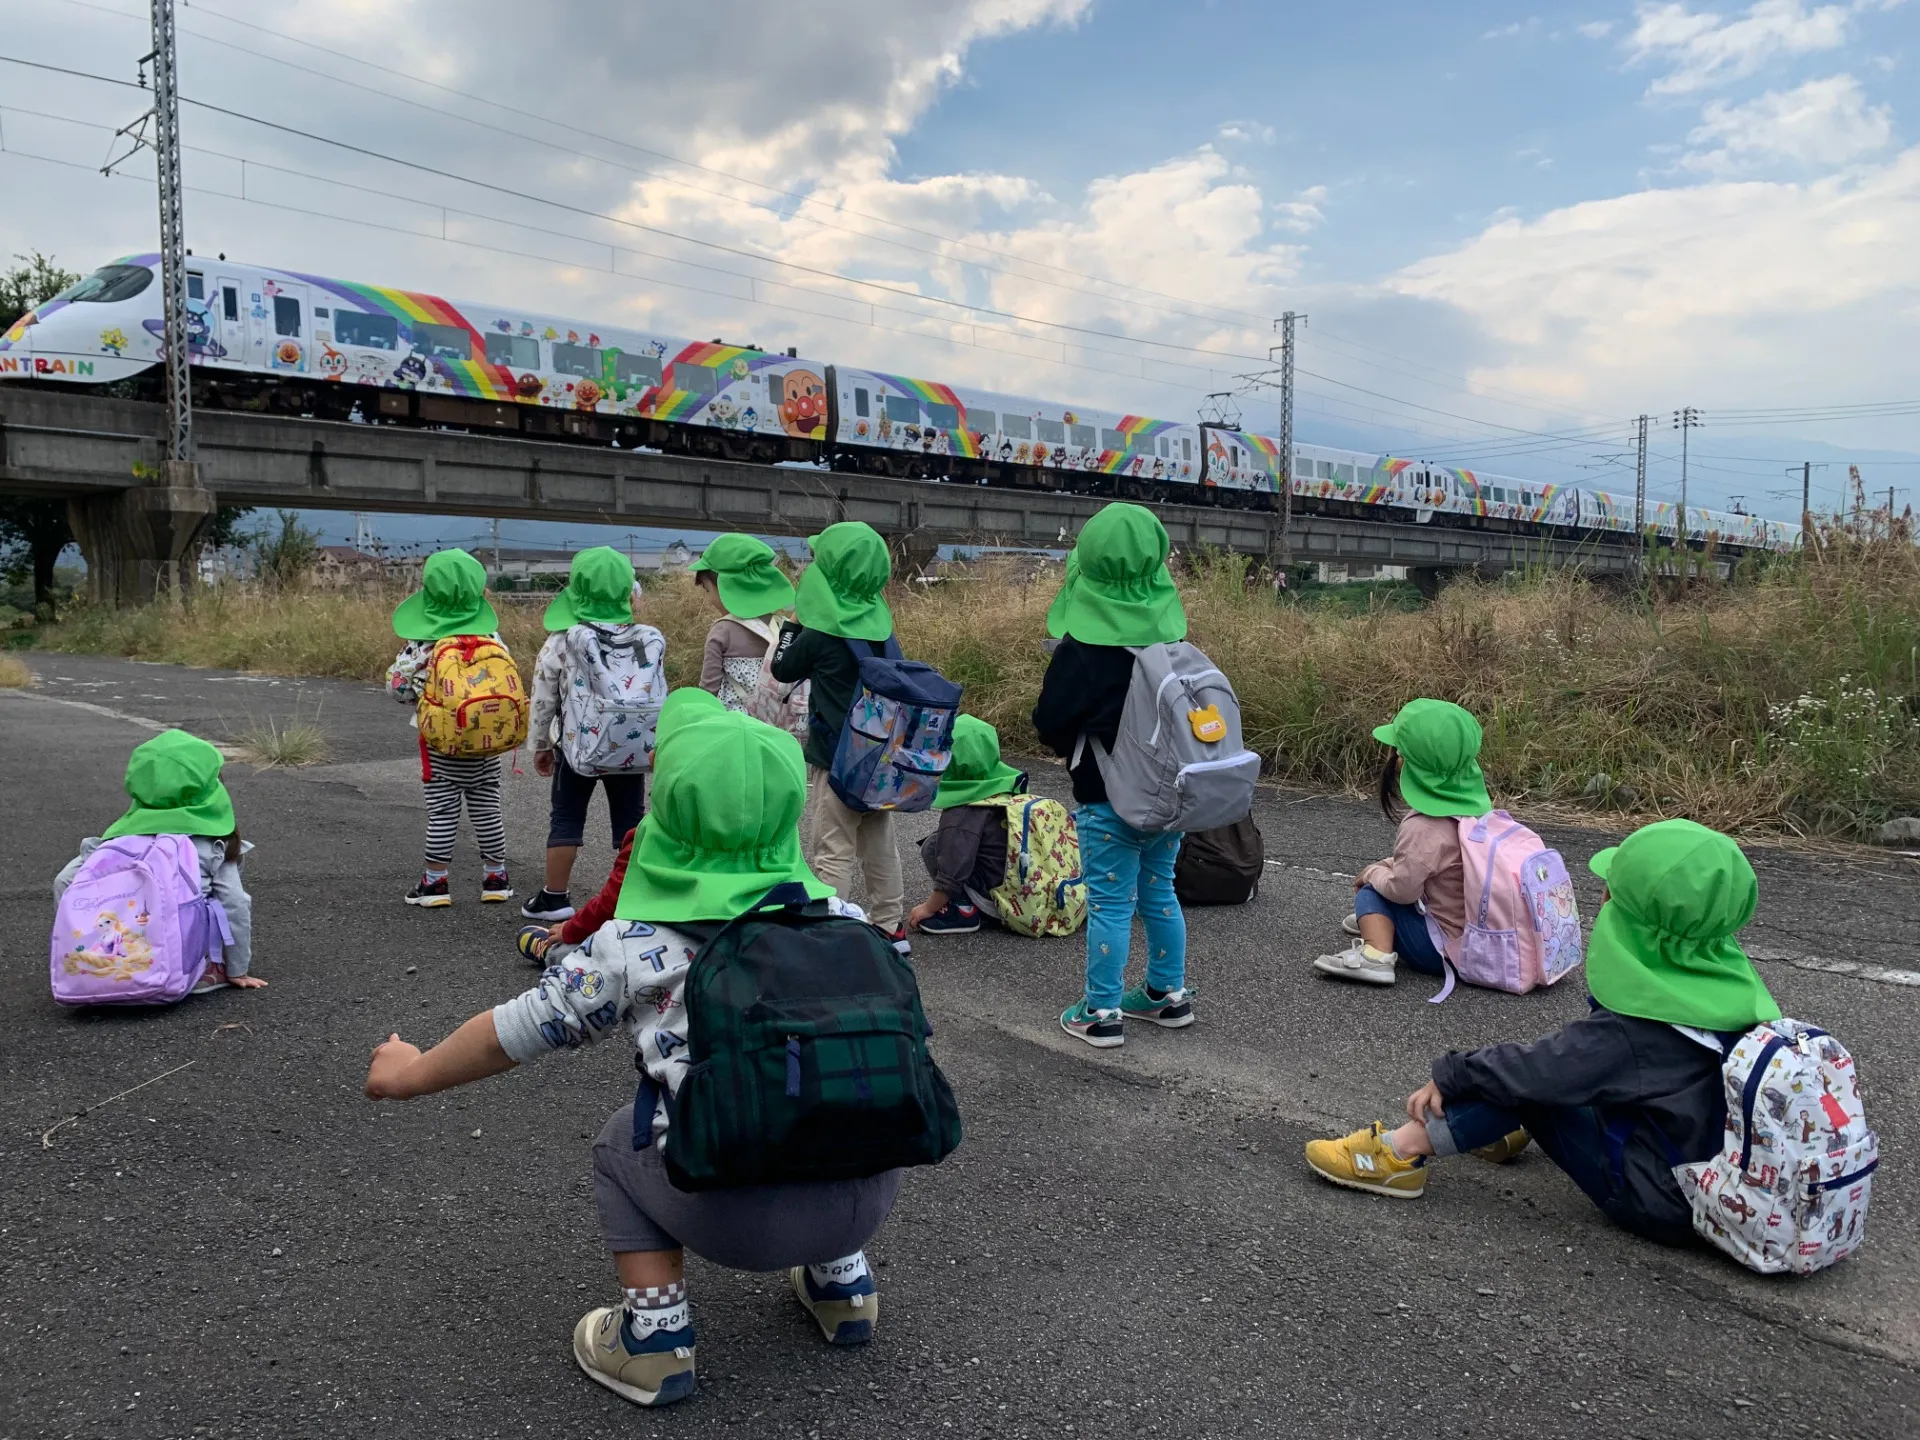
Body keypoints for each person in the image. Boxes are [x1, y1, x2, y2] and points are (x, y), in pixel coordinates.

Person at [364, 691, 900, 1410]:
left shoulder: (635, 948)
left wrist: (409, 1075)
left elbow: (511, 1032)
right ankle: (846, 1290)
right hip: (869, 1198)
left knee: (624, 1140)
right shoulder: (848, 921)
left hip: (733, 1219)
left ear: (664, 818)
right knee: (817, 1087)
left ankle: (654, 1341)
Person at [1305, 818, 1782, 1248]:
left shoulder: (1639, 1034)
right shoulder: (1739, 1001)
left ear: (1630, 917)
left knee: (1526, 1084)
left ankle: (1397, 1155)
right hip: (1718, 1174)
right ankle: (1493, 1130)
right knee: (1558, 1072)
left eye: (1612, 889)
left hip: (1662, 1202)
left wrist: (1453, 1075)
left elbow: (1539, 1070)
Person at [1031, 503, 1193, 1047]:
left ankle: (1100, 1012)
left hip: (1106, 800)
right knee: (1160, 894)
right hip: (1170, 800)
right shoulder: (1170, 648)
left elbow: (1049, 722)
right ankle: (1167, 996)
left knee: (1109, 903)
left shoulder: (1079, 654)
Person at [769, 520, 908, 953]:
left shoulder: (820, 634)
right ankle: (890, 924)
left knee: (833, 845)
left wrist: (793, 624)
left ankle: (829, 928)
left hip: (837, 760)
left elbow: (781, 669)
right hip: (881, 761)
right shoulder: (883, 632)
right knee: (879, 842)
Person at [55, 729, 263, 992]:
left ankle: (93, 964)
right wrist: (238, 969)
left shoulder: (116, 843)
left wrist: (78, 944)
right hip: (173, 959)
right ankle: (214, 968)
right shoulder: (212, 844)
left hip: (123, 946)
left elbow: (64, 881)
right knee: (208, 899)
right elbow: (235, 903)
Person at [521, 547, 663, 924]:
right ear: (628, 593)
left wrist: (539, 745)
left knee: (566, 818)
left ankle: (554, 898)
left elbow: (543, 699)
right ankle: (635, 896)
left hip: (575, 748)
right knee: (631, 822)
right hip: (630, 746)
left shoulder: (562, 640)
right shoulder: (642, 640)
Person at [1313, 698, 1488, 987]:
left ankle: (1376, 956)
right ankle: (1383, 923)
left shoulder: (1423, 827)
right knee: (1386, 880)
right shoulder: (1480, 815)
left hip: (1440, 952)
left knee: (1372, 893)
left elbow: (1402, 890)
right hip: (1480, 942)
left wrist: (1373, 872)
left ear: (1404, 762)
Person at [386, 549, 516, 908]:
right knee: (488, 808)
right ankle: (496, 878)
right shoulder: (491, 637)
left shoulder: (424, 643)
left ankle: (435, 883)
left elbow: (398, 688)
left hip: (441, 746)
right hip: (487, 742)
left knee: (442, 813)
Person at [907, 714, 1024, 936]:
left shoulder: (963, 811)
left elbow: (954, 865)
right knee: (939, 841)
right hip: (1018, 888)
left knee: (933, 847)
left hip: (997, 898)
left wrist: (929, 907)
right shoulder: (1005, 788)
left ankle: (962, 910)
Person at [688, 533, 797, 710]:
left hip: (736, 729)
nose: (709, 599)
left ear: (727, 587)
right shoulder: (784, 626)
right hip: (776, 727)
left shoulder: (722, 631)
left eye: (708, 590)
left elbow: (708, 692)